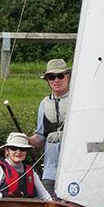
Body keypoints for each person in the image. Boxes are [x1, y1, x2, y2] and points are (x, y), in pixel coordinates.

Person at [28, 58, 71, 195]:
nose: (56, 80)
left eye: (60, 76)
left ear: (68, 76)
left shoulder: (77, 100)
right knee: (48, 204)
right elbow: (40, 138)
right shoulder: (44, 104)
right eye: (51, 77)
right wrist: (26, 140)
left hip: (75, 169)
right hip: (50, 172)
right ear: (47, 80)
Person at [0, 132, 51, 200]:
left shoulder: (31, 172)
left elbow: (45, 197)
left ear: (26, 151)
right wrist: (4, 196)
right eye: (13, 148)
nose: (18, 152)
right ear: (7, 150)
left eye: (23, 149)